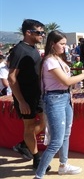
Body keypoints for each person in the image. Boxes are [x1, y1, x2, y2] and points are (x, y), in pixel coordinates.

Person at [34, 30, 84, 179]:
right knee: (56, 141)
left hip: (65, 97)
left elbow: (67, 81)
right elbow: (66, 81)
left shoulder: (58, 59)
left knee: (66, 134)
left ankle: (63, 165)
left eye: (65, 43)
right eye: (61, 44)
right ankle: (39, 175)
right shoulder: (50, 61)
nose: (65, 47)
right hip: (55, 99)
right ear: (52, 44)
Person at [8, 19, 49, 170]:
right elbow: (11, 78)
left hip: (37, 95)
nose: (42, 35)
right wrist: (21, 101)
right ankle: (37, 159)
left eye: (43, 33)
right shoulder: (19, 50)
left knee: (44, 122)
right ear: (28, 33)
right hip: (25, 97)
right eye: (39, 32)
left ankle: (24, 144)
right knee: (29, 127)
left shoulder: (33, 49)